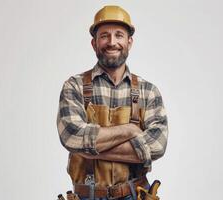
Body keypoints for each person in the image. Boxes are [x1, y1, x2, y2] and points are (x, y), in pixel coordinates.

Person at [57, 5, 168, 200]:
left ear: (129, 42)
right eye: (104, 36)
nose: (112, 42)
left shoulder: (148, 91)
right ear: (94, 43)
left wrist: (90, 150)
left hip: (136, 194)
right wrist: (130, 131)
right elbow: (72, 137)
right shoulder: (74, 86)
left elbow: (157, 145)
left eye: (119, 35)